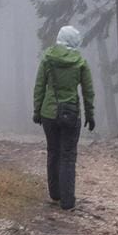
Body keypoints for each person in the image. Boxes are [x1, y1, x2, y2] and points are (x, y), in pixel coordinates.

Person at [32, 24, 96, 210]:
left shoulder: (47, 58)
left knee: (53, 152)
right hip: (71, 114)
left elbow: (39, 87)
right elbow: (88, 91)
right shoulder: (80, 62)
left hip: (48, 114)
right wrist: (90, 114)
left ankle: (55, 194)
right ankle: (68, 202)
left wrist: (37, 111)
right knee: (68, 157)